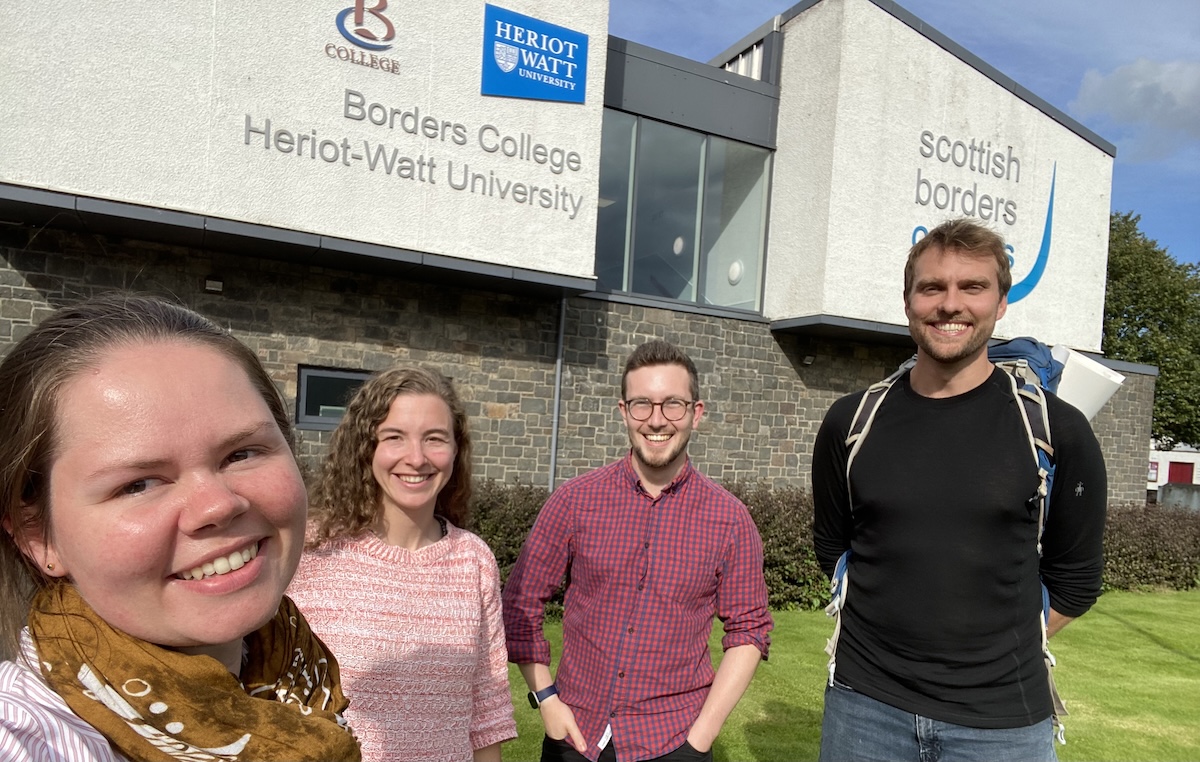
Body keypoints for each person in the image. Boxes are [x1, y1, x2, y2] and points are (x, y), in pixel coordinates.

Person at [0, 293, 361, 762]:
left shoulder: (299, 676)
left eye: (242, 453)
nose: (217, 504)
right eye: (138, 484)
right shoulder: (26, 738)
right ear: (37, 535)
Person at [812, 218, 1107, 761]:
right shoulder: (851, 422)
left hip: (1002, 725)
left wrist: (990, 649)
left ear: (1001, 303)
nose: (951, 304)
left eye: (972, 287)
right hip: (863, 710)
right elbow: (833, 547)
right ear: (908, 302)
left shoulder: (1056, 429)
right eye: (932, 287)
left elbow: (1076, 582)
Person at [503, 339, 773, 762]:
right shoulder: (574, 501)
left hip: (673, 739)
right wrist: (546, 700)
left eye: (673, 405)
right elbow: (520, 603)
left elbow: (750, 630)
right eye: (642, 404)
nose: (657, 420)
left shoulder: (730, 519)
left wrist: (701, 737)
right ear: (624, 411)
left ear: (696, 414)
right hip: (574, 735)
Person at [288, 367, 517, 762]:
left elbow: (488, 711)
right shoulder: (310, 550)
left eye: (435, 439)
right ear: (366, 447)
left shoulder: (474, 559)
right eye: (394, 437)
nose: (416, 458)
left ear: (456, 449)